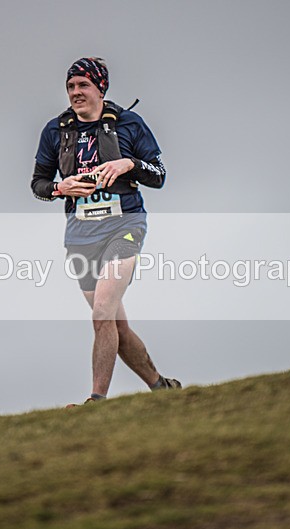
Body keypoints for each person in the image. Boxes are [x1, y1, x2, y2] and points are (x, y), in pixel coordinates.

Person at [31, 57, 181, 406]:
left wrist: (129, 163)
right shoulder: (55, 131)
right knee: (115, 323)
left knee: (101, 312)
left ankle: (97, 400)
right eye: (70, 87)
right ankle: (161, 388)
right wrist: (59, 188)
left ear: (101, 88)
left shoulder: (129, 123)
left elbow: (158, 174)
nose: (75, 93)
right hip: (81, 235)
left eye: (82, 85)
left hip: (124, 226)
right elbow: (37, 183)